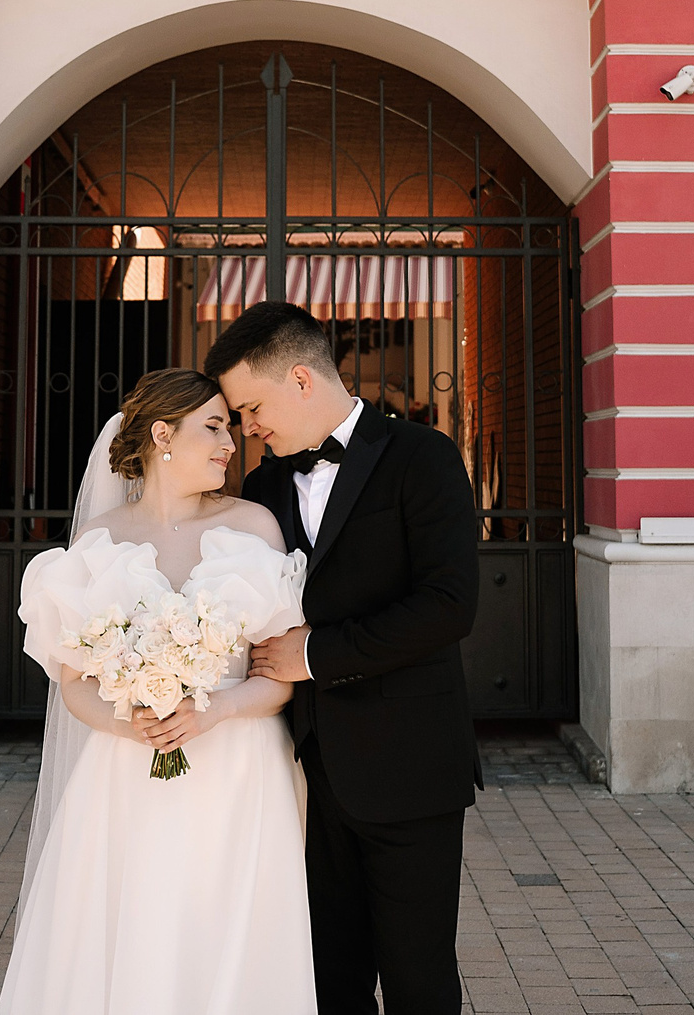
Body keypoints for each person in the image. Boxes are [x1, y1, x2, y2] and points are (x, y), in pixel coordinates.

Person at [0, 368, 315, 1015]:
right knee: (132, 931)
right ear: (162, 433)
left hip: (237, 774)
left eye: (230, 426)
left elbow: (278, 678)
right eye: (214, 426)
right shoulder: (98, 541)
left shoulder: (254, 527)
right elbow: (74, 686)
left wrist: (216, 707)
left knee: (230, 936)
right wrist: (127, 722)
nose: (231, 442)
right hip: (126, 777)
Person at [210, 302, 480, 1015]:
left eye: (250, 408)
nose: (247, 429)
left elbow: (449, 605)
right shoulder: (263, 490)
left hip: (411, 770)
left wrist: (316, 655)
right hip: (309, 776)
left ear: (300, 378)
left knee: (419, 980)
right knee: (330, 980)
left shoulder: (423, 456)